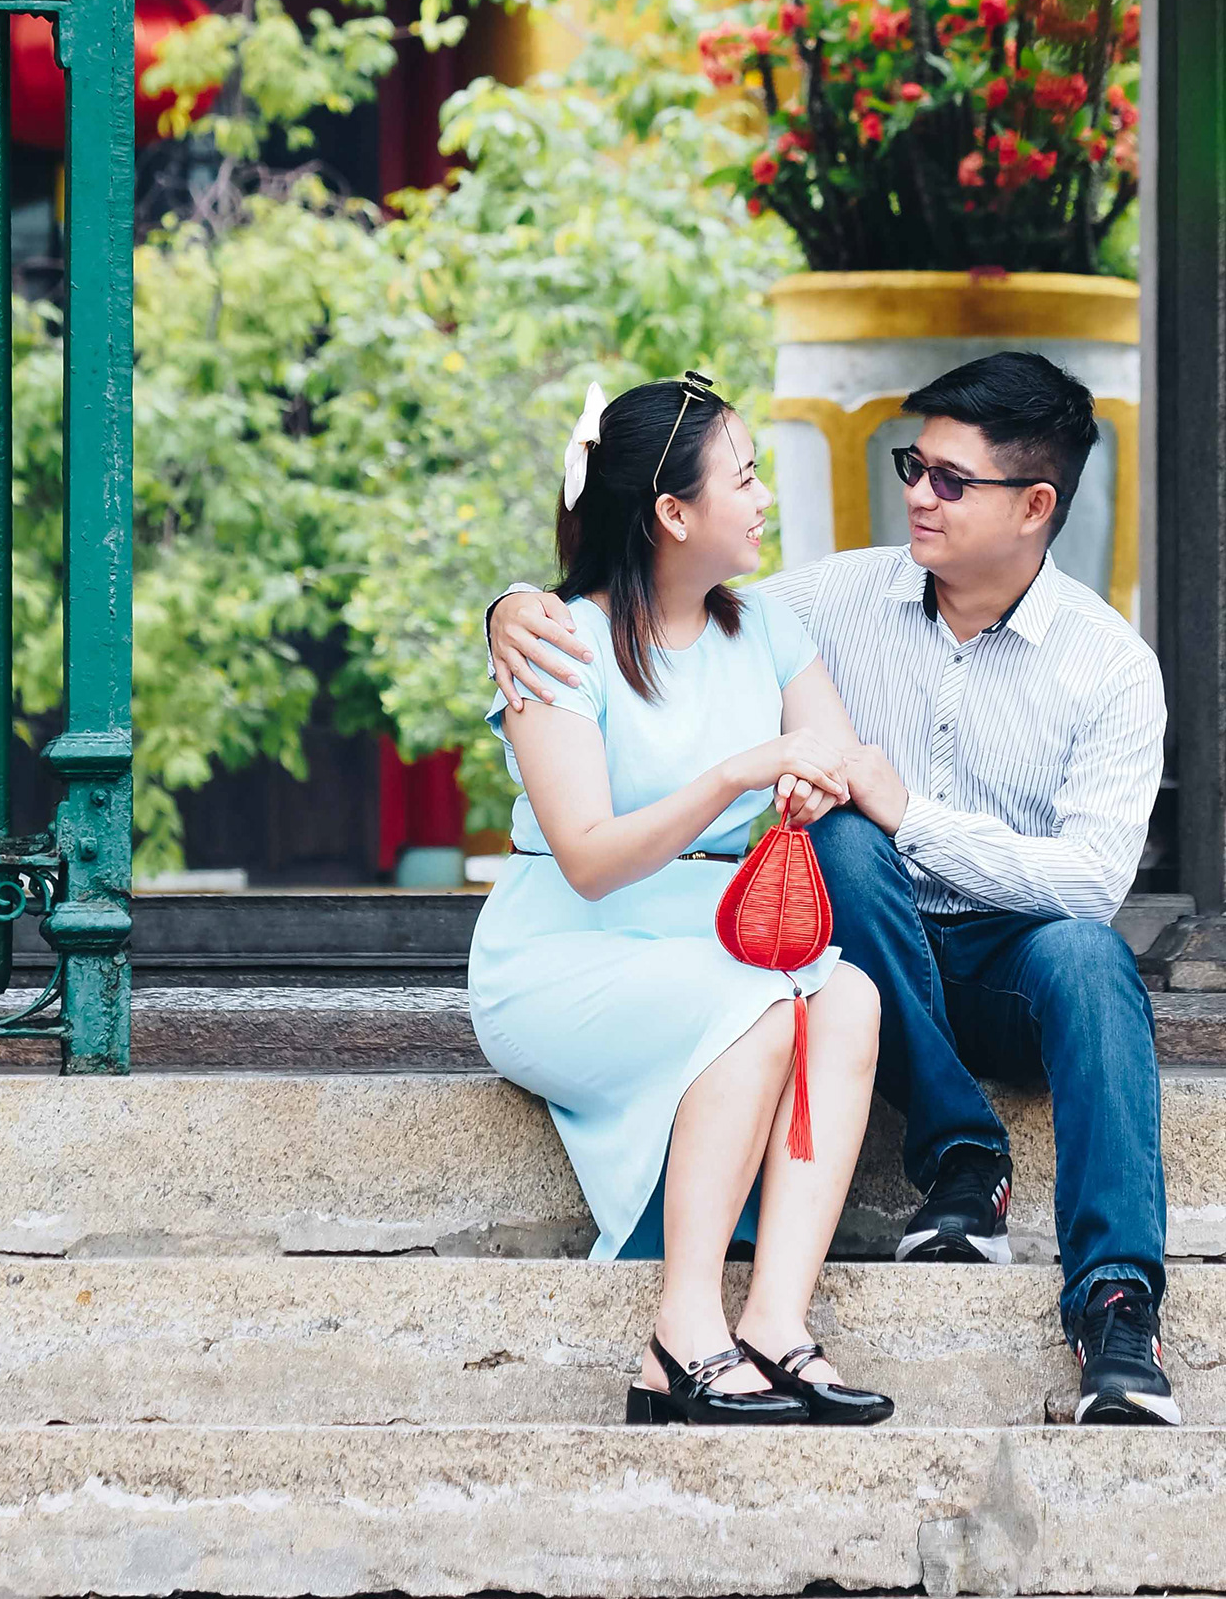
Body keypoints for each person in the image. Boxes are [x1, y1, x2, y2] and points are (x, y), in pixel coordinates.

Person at [489, 350, 1176, 1427]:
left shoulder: (1109, 666)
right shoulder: (828, 599)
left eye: (950, 480)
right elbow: (642, 591)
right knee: (846, 862)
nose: (917, 493)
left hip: (997, 961)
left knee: (1075, 958)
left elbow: (1088, 883)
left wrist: (907, 814)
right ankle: (948, 1172)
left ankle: (1117, 1312)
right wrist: (512, 600)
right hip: (821, 933)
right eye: (915, 465)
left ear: (1035, 506)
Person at [468, 371, 894, 1429]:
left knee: (848, 1002)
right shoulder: (559, 644)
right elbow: (591, 859)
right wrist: (739, 774)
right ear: (671, 513)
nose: (762, 500)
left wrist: (810, 776)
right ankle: (681, 1334)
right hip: (565, 954)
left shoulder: (766, 633)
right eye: (742, 480)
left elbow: (831, 750)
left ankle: (777, 1322)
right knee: (752, 1009)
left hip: (707, 942)